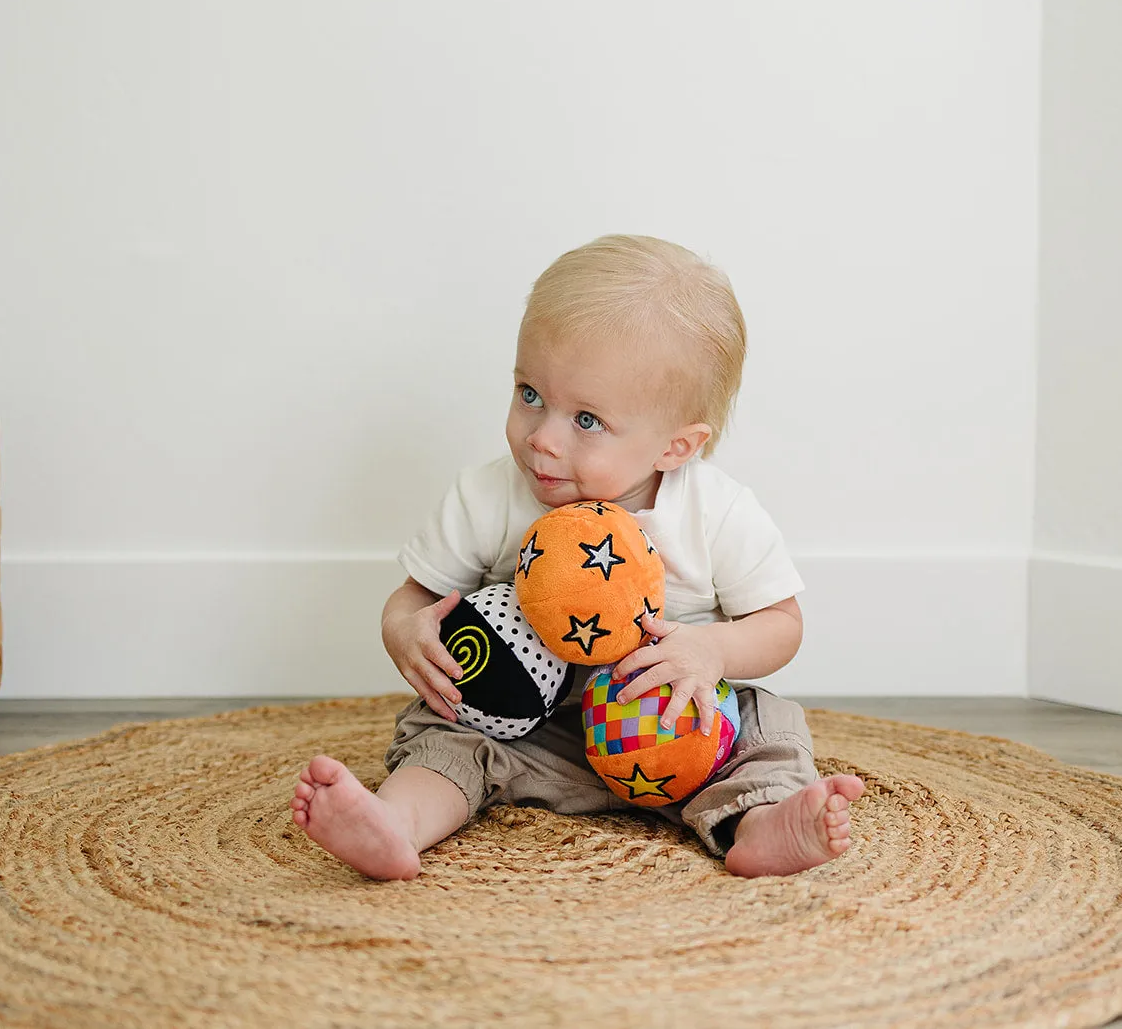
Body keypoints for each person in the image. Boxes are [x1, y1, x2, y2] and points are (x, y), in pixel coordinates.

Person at [291, 234, 864, 880]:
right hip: (531, 729)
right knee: (445, 728)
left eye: (586, 419)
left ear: (676, 447)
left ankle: (763, 822)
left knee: (769, 726)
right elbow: (415, 596)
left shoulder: (717, 512)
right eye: (529, 393)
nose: (541, 438)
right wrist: (406, 631)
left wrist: (711, 652)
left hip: (678, 729)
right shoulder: (489, 496)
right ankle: (397, 822)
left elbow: (782, 623)